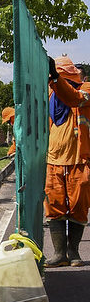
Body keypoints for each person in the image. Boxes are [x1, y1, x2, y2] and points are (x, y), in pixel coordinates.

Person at [43, 56, 90, 267]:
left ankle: (74, 253)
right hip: (53, 161)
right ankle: (59, 254)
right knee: (54, 207)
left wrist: (55, 78)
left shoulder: (86, 89)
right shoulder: (51, 94)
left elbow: (74, 98)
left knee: (79, 208)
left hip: (80, 161)